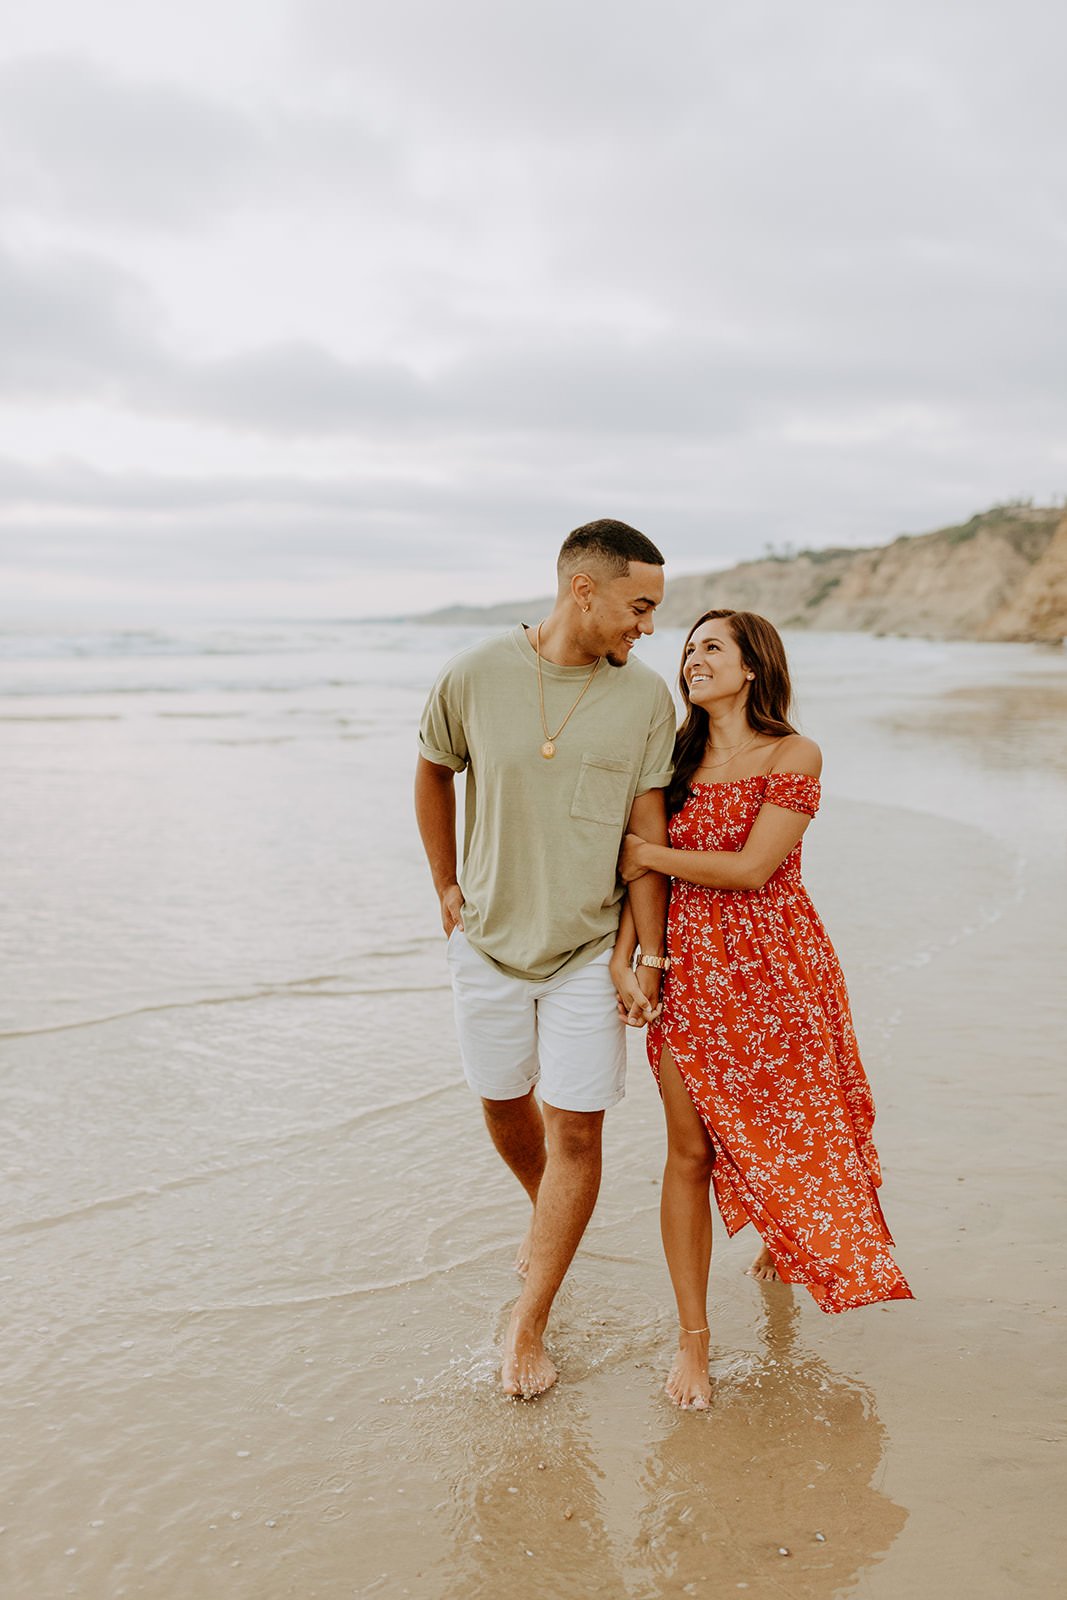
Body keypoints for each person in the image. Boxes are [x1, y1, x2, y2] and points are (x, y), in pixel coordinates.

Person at [616, 608, 913, 1410]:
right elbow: (634, 882)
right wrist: (629, 960)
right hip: (688, 972)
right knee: (688, 1150)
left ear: (752, 667)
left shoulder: (793, 752)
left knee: (793, 1123)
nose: (691, 659)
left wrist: (648, 851)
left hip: (778, 970)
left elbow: (752, 868)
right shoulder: (668, 757)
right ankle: (694, 1340)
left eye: (711, 647)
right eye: (687, 649)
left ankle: (785, 1240)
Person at [415, 519, 676, 1399]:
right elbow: (431, 767)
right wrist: (445, 884)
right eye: (638, 607)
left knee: (578, 1127)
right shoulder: (475, 673)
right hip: (487, 939)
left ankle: (531, 1318)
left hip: (588, 946)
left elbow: (646, 832)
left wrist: (645, 955)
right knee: (502, 1103)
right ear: (583, 590)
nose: (646, 627)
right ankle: (547, 1215)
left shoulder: (644, 700)